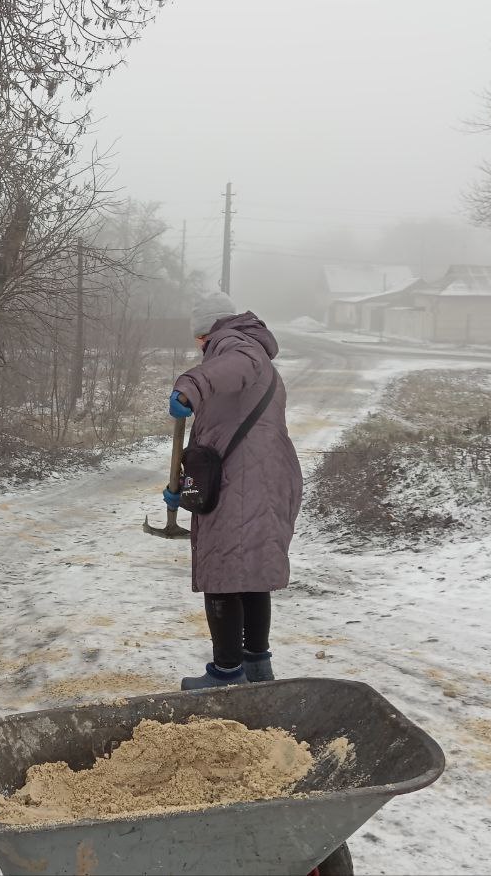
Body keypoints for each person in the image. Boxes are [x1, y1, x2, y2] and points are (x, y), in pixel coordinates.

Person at [164, 291, 302, 690]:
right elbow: (221, 434)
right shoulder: (254, 353)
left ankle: (226, 672)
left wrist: (190, 385)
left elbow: (230, 369)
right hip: (256, 476)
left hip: (245, 481)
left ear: (208, 332)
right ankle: (257, 665)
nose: (201, 347)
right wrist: (184, 486)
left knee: (222, 570)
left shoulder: (238, 347)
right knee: (250, 574)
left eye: (199, 340)